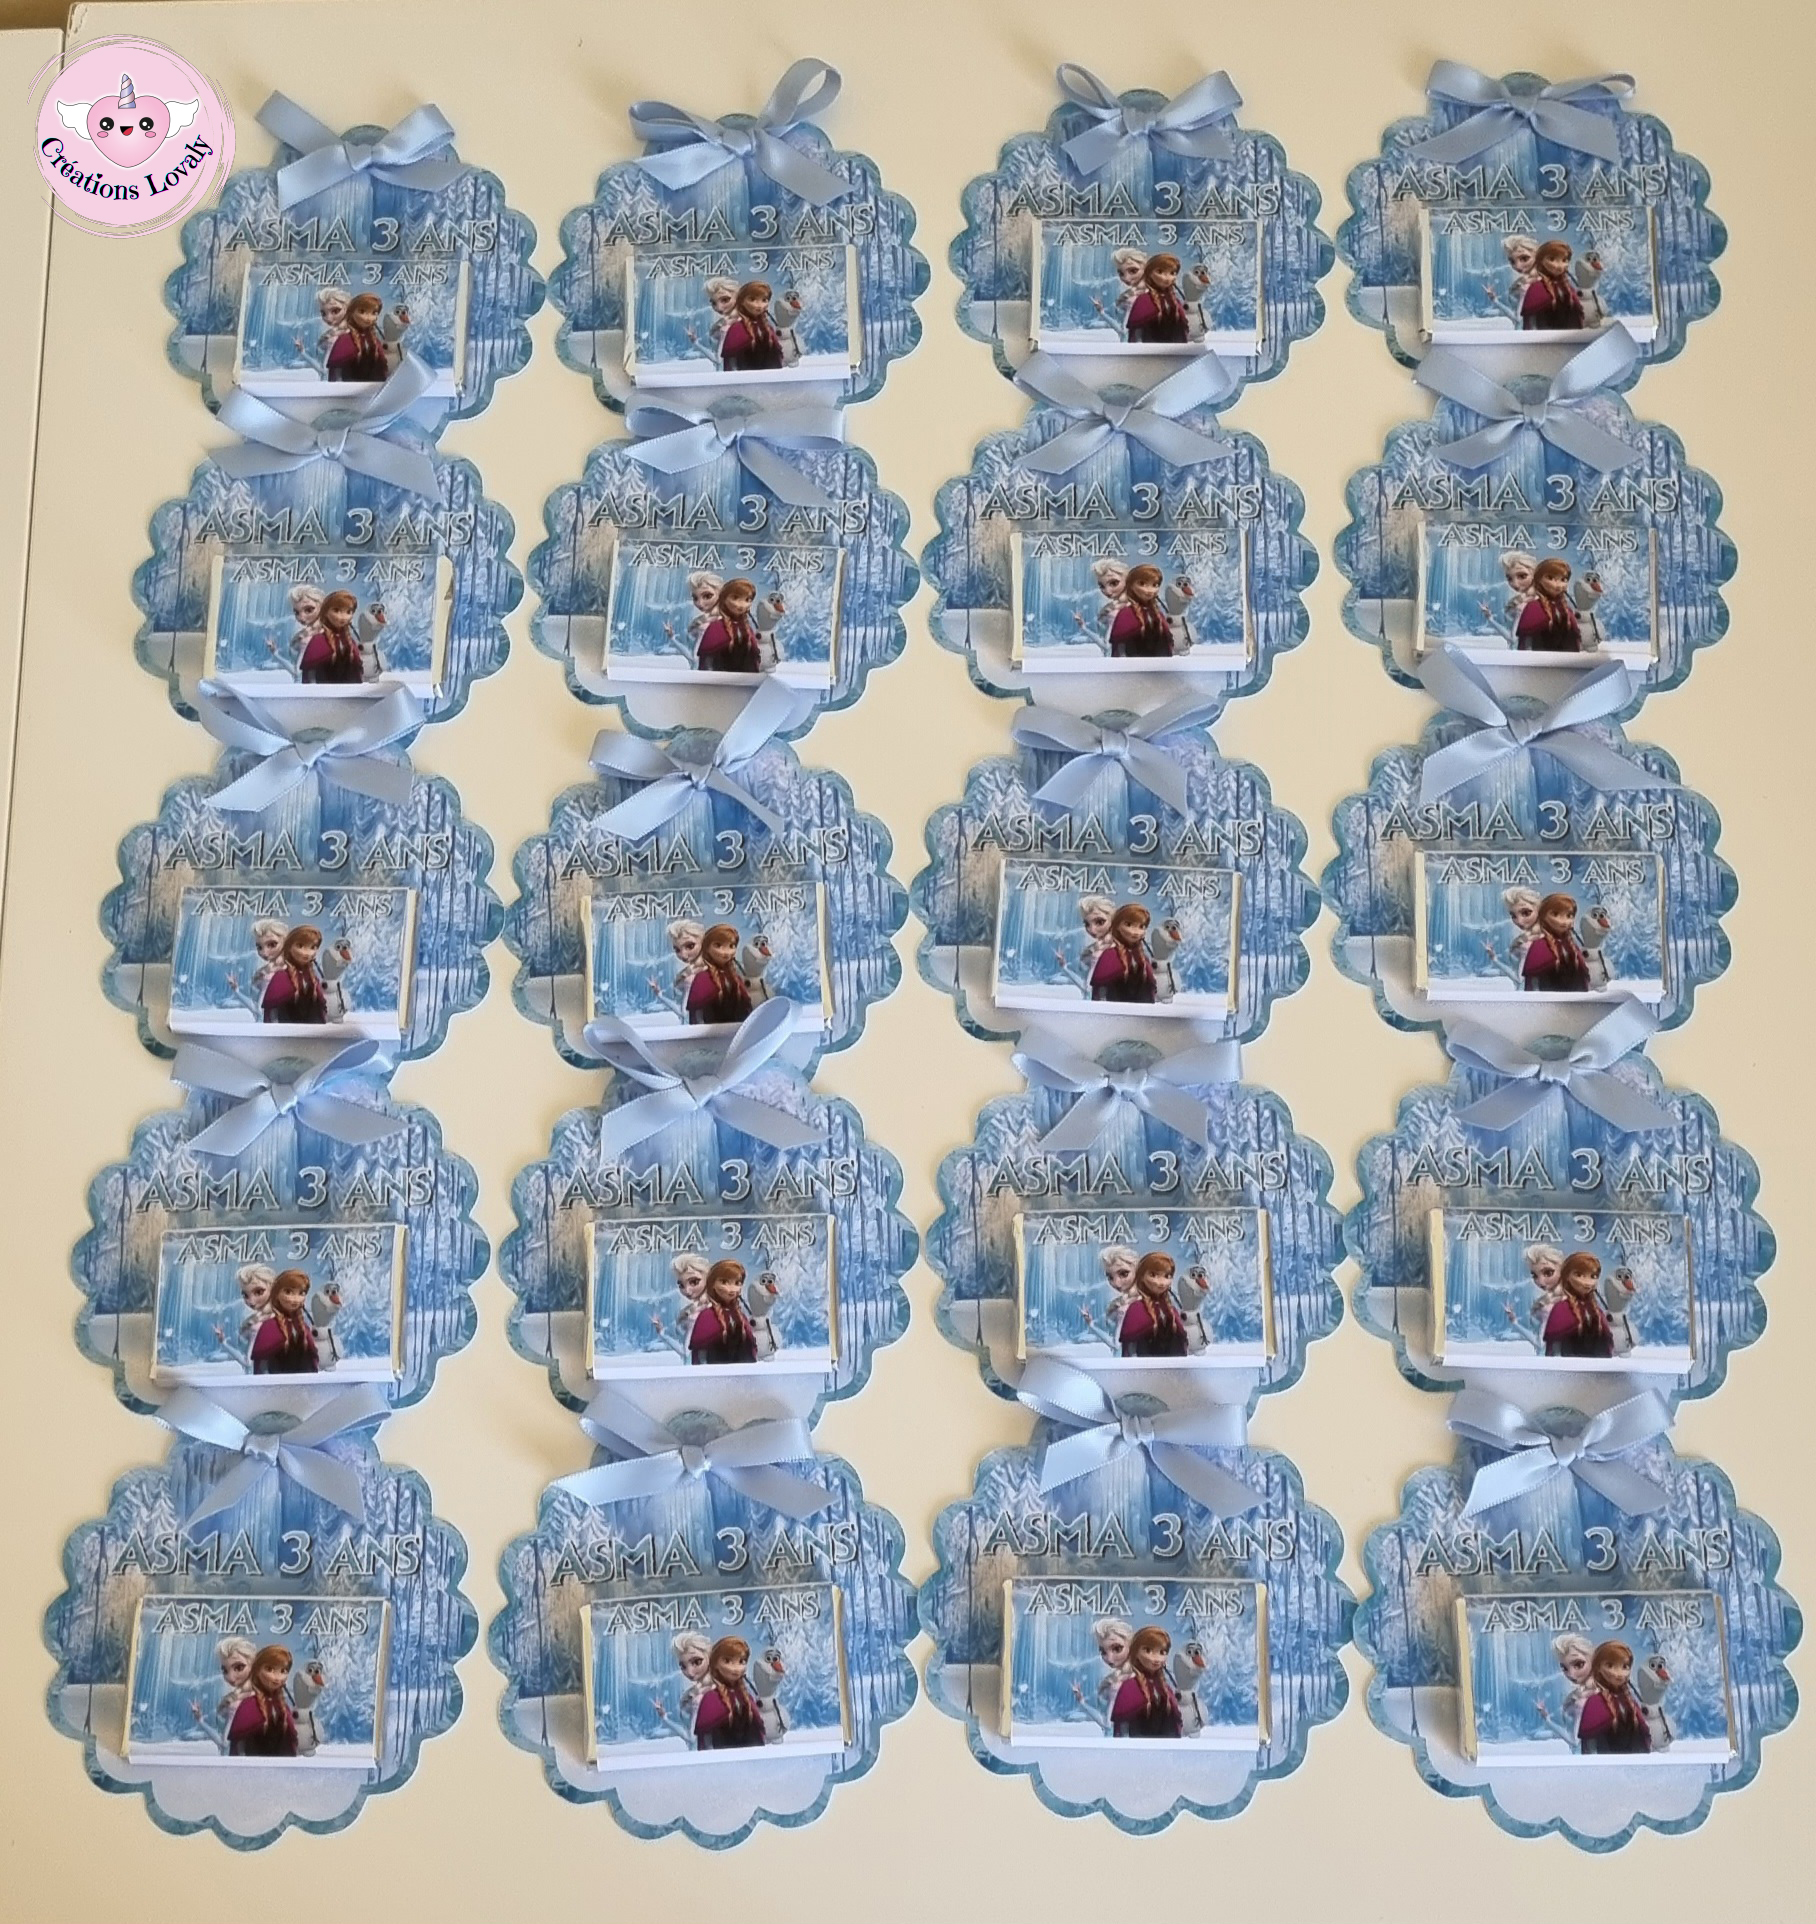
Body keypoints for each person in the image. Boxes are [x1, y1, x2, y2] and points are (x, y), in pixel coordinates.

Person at [1088, 902, 1174, 1003]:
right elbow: (1100, 990)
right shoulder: (1110, 955)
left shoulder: (1143, 959)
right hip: (1114, 1009)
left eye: (1141, 926)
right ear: (1117, 926)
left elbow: (1150, 989)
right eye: (1129, 925)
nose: (1135, 931)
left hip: (1141, 1011)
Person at [685, 922, 768, 1026]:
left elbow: (746, 1009)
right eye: (718, 945)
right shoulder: (703, 978)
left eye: (731, 946)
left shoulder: (735, 978)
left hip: (737, 1031)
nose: (726, 952)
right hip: (710, 1033)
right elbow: (697, 1014)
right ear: (707, 948)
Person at [1576, 1640, 1651, 1755]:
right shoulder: (1595, 1703)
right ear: (1598, 1667)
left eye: (1625, 1667)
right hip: (1605, 1763)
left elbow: (1642, 1738)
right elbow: (1590, 1745)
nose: (1618, 1673)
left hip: (1633, 1763)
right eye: (1610, 1666)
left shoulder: (1630, 1702)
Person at [693, 1636, 766, 1749]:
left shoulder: (746, 1697)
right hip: (721, 1756)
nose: (736, 1668)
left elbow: (758, 1733)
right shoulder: (711, 1698)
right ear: (715, 1664)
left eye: (741, 1661)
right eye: (727, 1661)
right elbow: (706, 1738)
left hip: (751, 1756)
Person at [695, 577, 782, 674]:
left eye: (747, 600)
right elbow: (707, 662)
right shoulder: (716, 628)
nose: (741, 604)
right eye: (735, 598)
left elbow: (754, 661)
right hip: (719, 680)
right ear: (724, 599)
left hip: (746, 681)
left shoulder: (747, 629)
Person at [1110, 1626, 1183, 1738]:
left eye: (1162, 1652)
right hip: (1137, 1746)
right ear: (1136, 1652)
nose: (1156, 1658)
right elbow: (1123, 1727)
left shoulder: (1165, 1689)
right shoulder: (1130, 1687)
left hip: (1166, 1747)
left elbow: (1174, 1725)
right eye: (1148, 1651)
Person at [226, 1645, 299, 1757]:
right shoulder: (249, 1705)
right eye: (270, 1669)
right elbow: (238, 1746)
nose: (277, 1677)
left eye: (283, 1671)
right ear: (257, 1670)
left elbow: (290, 1745)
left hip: (281, 1766)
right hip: (252, 1765)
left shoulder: (283, 1707)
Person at [1542, 1251, 1615, 1360]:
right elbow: (1555, 1348)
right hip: (1568, 1367)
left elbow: (1606, 1346)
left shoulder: (1596, 1311)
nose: (1587, 1282)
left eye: (1593, 1276)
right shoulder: (1561, 1309)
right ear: (1567, 1276)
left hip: (1597, 1368)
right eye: (1579, 1275)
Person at [688, 1258, 760, 1366]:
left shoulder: (740, 1316)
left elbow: (750, 1349)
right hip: (715, 1372)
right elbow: (700, 1352)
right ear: (713, 1284)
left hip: (743, 1372)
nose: (731, 1289)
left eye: (737, 1283)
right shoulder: (707, 1316)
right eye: (724, 1282)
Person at [1117, 1251, 1190, 1359]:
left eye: (1167, 1276)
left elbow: (1181, 1346)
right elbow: (1130, 1347)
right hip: (1144, 1365)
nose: (1161, 1282)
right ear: (1142, 1276)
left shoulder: (1170, 1310)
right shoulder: (1137, 1309)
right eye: (1153, 1275)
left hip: (1173, 1366)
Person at [250, 1267, 321, 1374]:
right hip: (275, 1382)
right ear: (277, 1294)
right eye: (288, 1292)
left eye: (301, 1293)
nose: (295, 1299)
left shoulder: (303, 1327)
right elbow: (262, 1364)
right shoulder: (269, 1327)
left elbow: (312, 1361)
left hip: (304, 1383)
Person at [263, 924, 335, 1024]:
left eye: (313, 947)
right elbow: (272, 1011)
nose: (307, 952)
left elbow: (321, 1010)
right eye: (300, 946)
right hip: (286, 1030)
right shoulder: (281, 977)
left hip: (313, 1031)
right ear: (289, 947)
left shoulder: (313, 979)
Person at [1522, 893, 1592, 994]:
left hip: (1575, 1000)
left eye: (1569, 916)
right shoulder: (1539, 946)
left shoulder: (1572, 946)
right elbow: (1533, 982)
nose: (1563, 921)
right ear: (1543, 916)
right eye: (1555, 914)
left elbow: (1583, 979)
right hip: (1547, 1000)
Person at [1106, 563, 1178, 657]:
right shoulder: (1126, 614)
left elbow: (1166, 645)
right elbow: (1120, 647)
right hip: (1133, 663)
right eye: (1142, 584)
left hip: (1159, 664)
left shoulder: (1157, 614)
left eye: (1155, 585)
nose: (1149, 590)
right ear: (1131, 585)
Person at [326, 289, 398, 382]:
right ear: (352, 312)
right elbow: (336, 373)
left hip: (374, 388)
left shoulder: (375, 342)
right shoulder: (345, 340)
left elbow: (382, 371)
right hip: (347, 388)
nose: (368, 318)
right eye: (362, 311)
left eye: (374, 313)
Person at [1515, 557, 1583, 653]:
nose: (1558, 584)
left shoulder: (1567, 610)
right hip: (1538, 659)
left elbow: (1575, 640)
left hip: (1566, 660)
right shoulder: (1533, 607)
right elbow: (1527, 641)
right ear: (1539, 579)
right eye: (1550, 578)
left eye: (1563, 579)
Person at [721, 281, 788, 373]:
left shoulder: (768, 329)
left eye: (764, 300)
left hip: (771, 379)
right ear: (742, 301)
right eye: (752, 299)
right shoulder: (737, 329)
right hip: (745, 379)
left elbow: (777, 360)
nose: (759, 305)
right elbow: (731, 362)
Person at [1124, 252, 1191, 345]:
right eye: (1160, 272)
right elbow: (1137, 333)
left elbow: (1182, 332)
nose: (1167, 277)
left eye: (1172, 273)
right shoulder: (1144, 301)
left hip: (1175, 350)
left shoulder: (1175, 302)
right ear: (1150, 273)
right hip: (1149, 350)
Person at [1521, 239, 1586, 332]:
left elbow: (1577, 316)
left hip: (1569, 337)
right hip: (1543, 336)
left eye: (1564, 260)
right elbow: (1531, 320)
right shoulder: (1537, 288)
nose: (1559, 265)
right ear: (1541, 260)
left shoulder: (1568, 288)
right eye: (1552, 259)